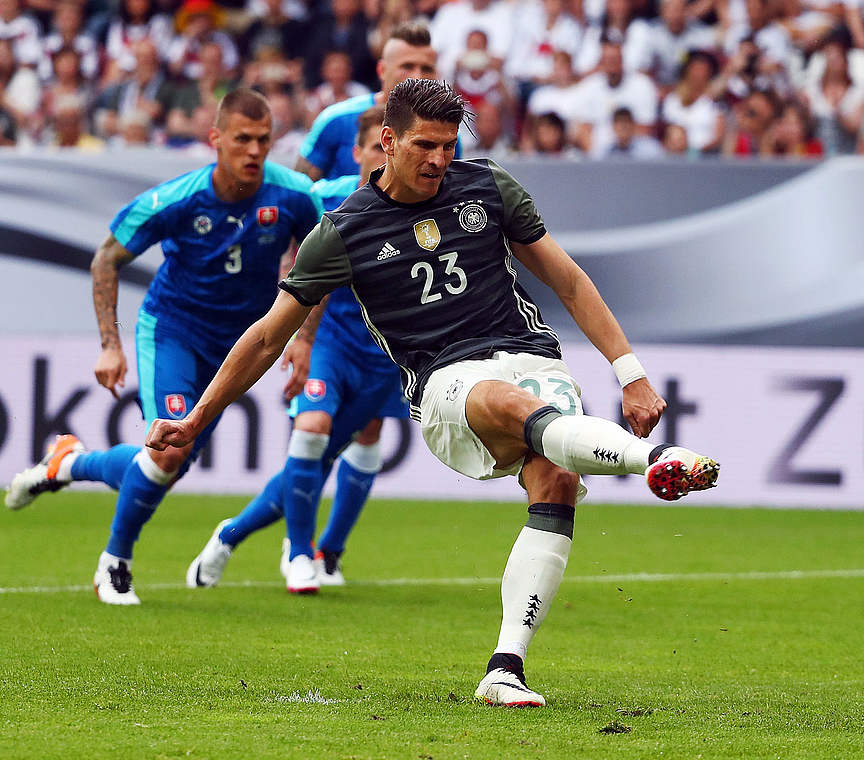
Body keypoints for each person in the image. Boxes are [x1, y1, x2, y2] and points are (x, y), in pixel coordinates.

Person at [146, 79, 720, 706]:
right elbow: (263, 340)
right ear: (386, 142)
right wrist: (200, 418)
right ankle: (655, 461)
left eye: (449, 146)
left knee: (553, 482)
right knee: (509, 403)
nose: (439, 161)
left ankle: (506, 668)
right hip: (446, 381)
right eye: (425, 145)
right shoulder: (343, 232)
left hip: (532, 355)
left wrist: (629, 372)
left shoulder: (488, 187)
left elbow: (571, 282)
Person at [4, 89, 322, 605]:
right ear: (215, 139)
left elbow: (317, 266)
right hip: (174, 330)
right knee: (169, 449)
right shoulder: (176, 198)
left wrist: (304, 338)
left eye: (264, 140)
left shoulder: (293, 195)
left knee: (168, 462)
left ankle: (68, 462)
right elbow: (106, 257)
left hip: (238, 348)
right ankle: (115, 562)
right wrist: (110, 345)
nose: (254, 151)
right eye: (242, 139)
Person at [187, 106, 402, 593]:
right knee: (312, 428)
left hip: (385, 355)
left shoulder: (424, 208)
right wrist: (302, 339)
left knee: (330, 456)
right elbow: (295, 254)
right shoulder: (325, 198)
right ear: (358, 151)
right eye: (374, 147)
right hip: (329, 339)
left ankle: (238, 534)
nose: (382, 157)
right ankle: (301, 553)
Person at [296, 21, 437, 181]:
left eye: (426, 69)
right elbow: (301, 190)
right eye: (407, 66)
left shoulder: (444, 135)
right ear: (382, 70)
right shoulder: (336, 119)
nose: (417, 77)